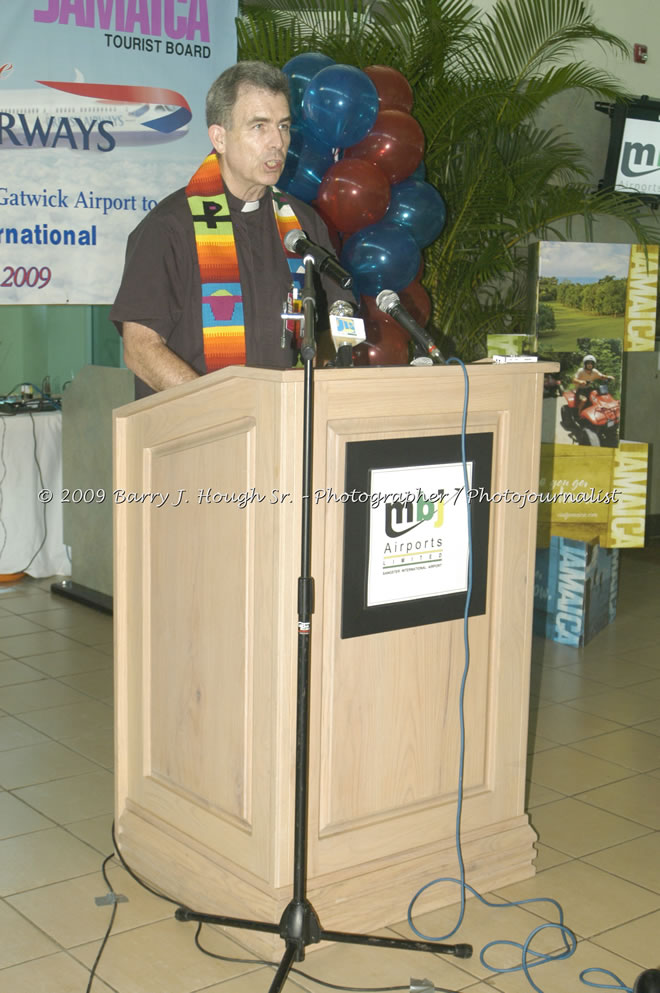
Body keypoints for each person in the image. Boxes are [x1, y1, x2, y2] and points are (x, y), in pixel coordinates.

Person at [111, 61, 352, 398]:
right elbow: (141, 350)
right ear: (219, 137)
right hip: (197, 431)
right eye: (259, 126)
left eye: (283, 126)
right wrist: (220, 411)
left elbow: (333, 327)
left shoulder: (303, 225)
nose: (277, 142)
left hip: (284, 423)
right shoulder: (169, 228)